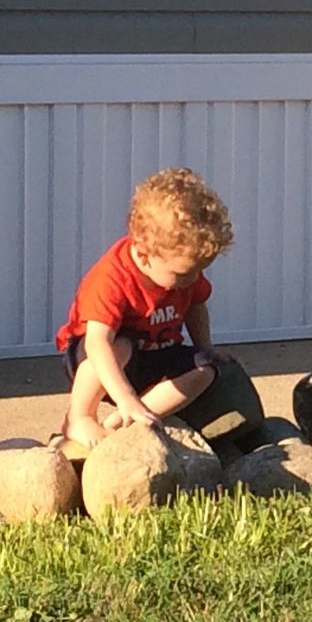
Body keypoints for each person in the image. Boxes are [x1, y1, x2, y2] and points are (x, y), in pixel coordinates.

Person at [55, 167, 234, 448]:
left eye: (198, 270)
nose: (191, 280)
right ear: (143, 253)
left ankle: (129, 418)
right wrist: (124, 394)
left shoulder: (186, 274)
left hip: (156, 356)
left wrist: (205, 346)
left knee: (205, 369)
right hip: (101, 361)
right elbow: (96, 343)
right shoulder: (111, 278)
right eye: (182, 274)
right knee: (121, 345)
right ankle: (78, 417)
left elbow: (196, 306)